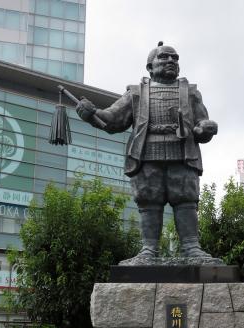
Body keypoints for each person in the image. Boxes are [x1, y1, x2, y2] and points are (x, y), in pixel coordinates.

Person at [76, 42, 218, 261]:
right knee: (149, 201)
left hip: (183, 154)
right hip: (146, 154)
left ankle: (192, 247)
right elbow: (113, 119)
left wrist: (205, 128)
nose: (171, 61)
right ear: (150, 66)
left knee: (186, 200)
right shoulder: (136, 93)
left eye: (175, 58)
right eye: (164, 57)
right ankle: (149, 250)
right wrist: (92, 113)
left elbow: (201, 123)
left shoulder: (191, 93)